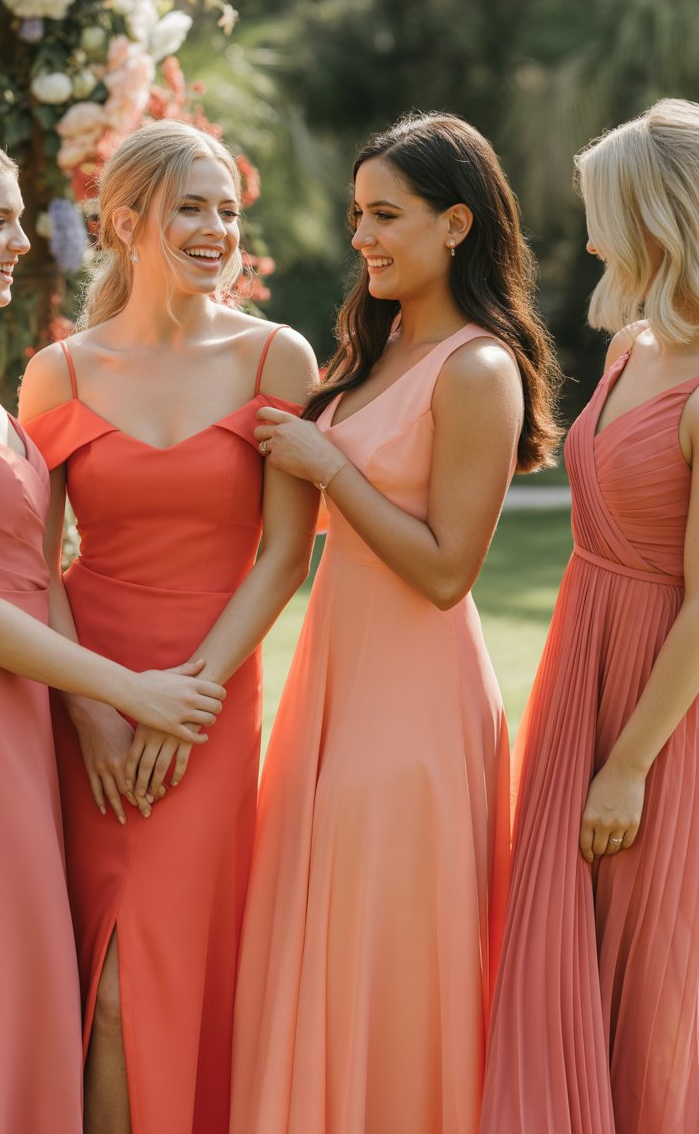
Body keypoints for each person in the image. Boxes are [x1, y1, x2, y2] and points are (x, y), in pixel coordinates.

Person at [0, 124, 224, 1134]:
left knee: (32, 992)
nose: (26, 238)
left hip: (26, 726)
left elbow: (37, 562)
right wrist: (130, 689)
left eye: (22, 217)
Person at [230, 110, 562, 1134]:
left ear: (456, 223)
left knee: (388, 958)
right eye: (356, 214)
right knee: (317, 944)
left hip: (413, 706)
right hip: (331, 686)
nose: (363, 235)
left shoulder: (477, 368)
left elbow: (447, 570)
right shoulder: (368, 351)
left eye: (387, 215)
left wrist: (329, 465)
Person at [18, 119, 318, 1134]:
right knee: (98, 977)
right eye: (192, 206)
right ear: (127, 221)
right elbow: (34, 560)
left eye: (229, 210)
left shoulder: (277, 356)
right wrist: (95, 708)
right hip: (85, 702)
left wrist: (184, 699)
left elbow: (283, 553)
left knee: (156, 970)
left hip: (211, 700)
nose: (215, 228)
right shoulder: (59, 371)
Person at [481, 98, 699, 1133]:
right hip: (584, 659)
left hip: (663, 704)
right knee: (568, 937)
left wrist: (629, 763)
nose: (586, 232)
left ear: (659, 214)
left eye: (601, 208)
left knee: (651, 967)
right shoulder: (631, 346)